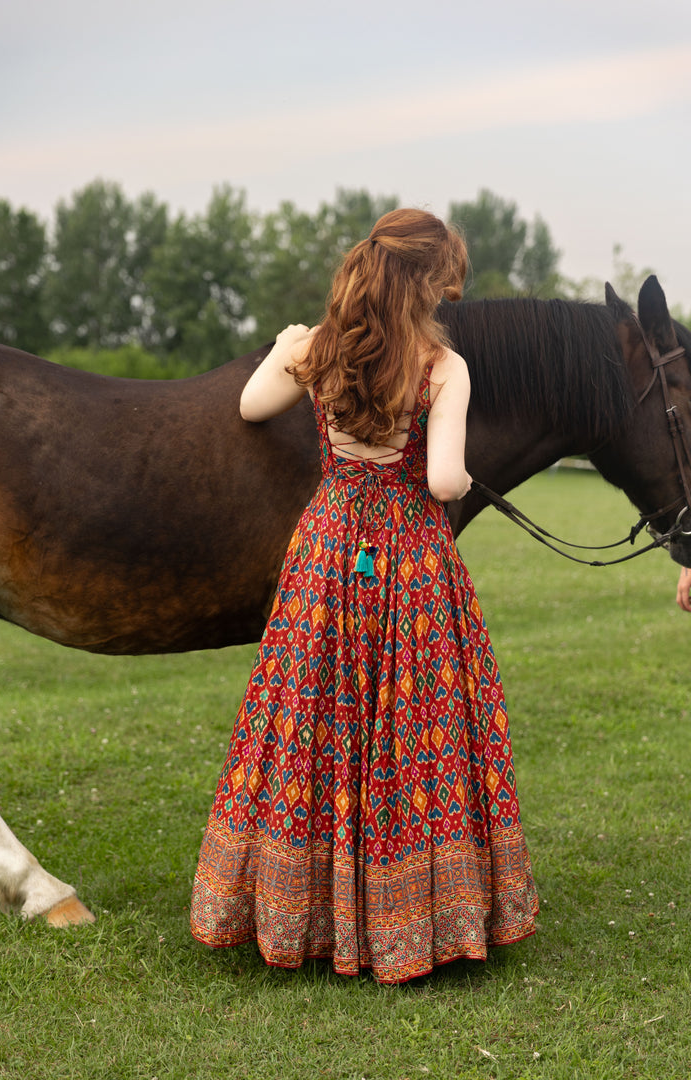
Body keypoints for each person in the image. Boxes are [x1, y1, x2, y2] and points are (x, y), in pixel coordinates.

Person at [191, 208, 538, 984]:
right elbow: (445, 481)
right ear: (425, 281)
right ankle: (415, 915)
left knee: (311, 718)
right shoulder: (441, 366)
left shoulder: (317, 347)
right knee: (413, 725)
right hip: (409, 557)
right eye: (445, 281)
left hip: (329, 548)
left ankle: (302, 910)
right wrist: (457, 468)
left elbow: (251, 405)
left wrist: (282, 348)